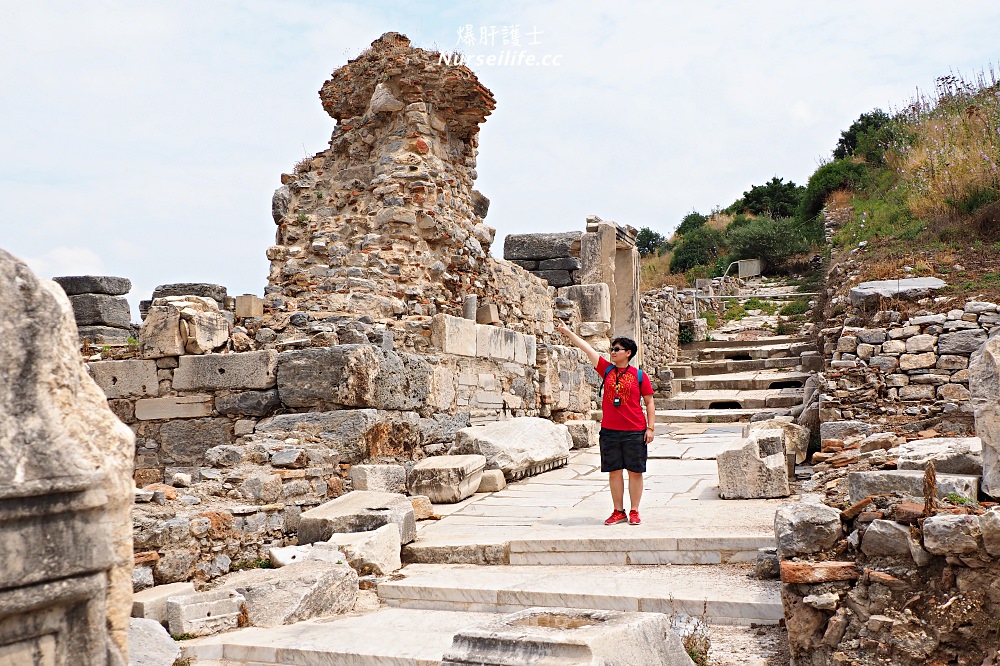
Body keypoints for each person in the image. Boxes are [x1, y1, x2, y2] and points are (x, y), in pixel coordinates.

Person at [556, 323, 655, 525]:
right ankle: (619, 511)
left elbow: (650, 402)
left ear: (628, 353)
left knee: (635, 472)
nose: (613, 352)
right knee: (614, 472)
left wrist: (650, 427)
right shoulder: (606, 370)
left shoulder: (639, 375)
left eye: (616, 349)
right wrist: (568, 332)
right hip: (610, 432)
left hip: (635, 431)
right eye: (612, 349)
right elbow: (586, 348)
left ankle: (634, 510)